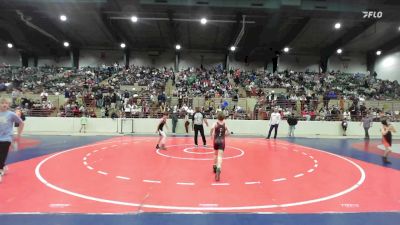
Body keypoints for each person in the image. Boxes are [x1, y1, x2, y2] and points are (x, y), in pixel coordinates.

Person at [0, 98, 24, 183]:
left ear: (9, 105)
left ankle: (0, 170)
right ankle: (2, 165)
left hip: (6, 138)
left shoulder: (11, 114)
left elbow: (21, 123)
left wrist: (18, 134)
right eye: (2, 103)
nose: (4, 104)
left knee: (2, 153)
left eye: (6, 103)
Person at [210, 113, 230, 181]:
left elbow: (212, 128)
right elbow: (228, 133)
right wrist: (224, 135)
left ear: (217, 117)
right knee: (220, 156)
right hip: (222, 141)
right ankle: (219, 167)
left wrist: (211, 135)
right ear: (223, 118)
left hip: (216, 141)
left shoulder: (215, 123)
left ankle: (214, 166)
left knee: (215, 154)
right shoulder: (225, 124)